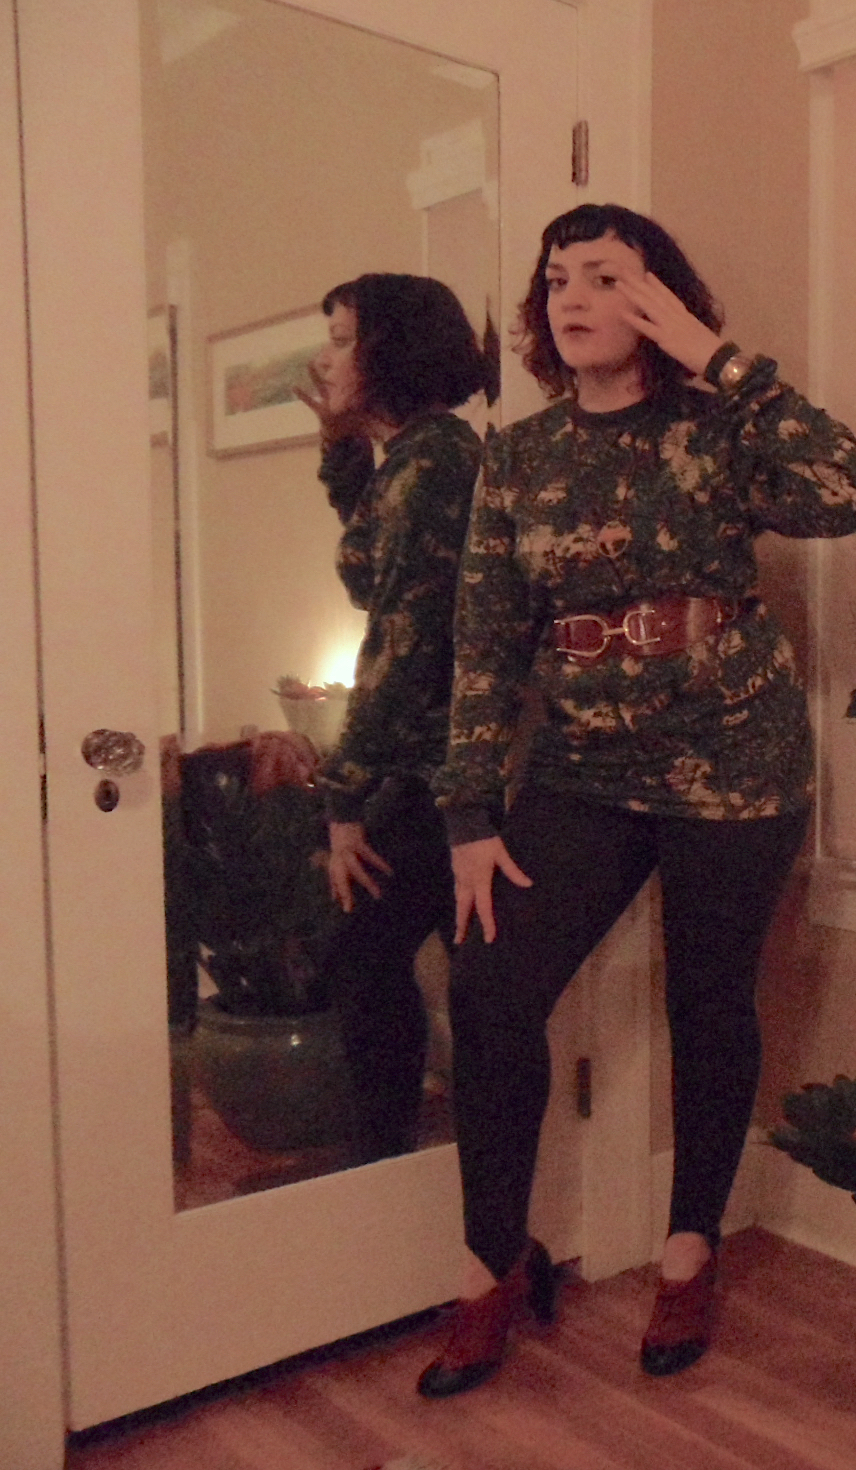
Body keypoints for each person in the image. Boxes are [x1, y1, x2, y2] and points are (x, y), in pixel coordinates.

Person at [416, 204, 856, 1398]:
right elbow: (484, 641)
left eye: (605, 276)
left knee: (709, 1001)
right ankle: (492, 1262)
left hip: (734, 757)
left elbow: (850, 490)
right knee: (489, 986)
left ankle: (688, 1250)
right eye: (556, 278)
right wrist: (469, 815)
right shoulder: (518, 457)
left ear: (655, 297)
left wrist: (716, 358)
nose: (573, 296)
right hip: (581, 769)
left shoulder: (716, 424)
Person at [296, 274, 492, 1164]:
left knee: (368, 959)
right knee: (389, 963)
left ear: (391, 352)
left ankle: (388, 1171)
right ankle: (402, 1171)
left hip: (447, 769)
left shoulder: (434, 464)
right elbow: (377, 572)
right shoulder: (417, 458)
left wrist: (342, 796)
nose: (327, 358)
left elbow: (401, 642)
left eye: (343, 340)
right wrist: (342, 451)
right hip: (429, 765)